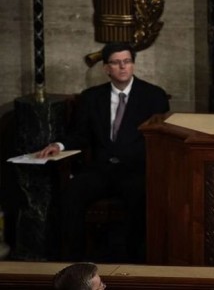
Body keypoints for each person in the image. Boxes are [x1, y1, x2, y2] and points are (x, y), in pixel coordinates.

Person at [37, 42, 170, 262]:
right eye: (116, 63)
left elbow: (160, 140)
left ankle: (135, 264)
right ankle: (75, 263)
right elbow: (80, 134)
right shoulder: (91, 97)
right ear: (106, 68)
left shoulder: (153, 96)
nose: (122, 67)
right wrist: (58, 146)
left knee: (141, 196)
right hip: (101, 169)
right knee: (72, 192)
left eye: (127, 61)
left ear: (133, 65)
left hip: (135, 170)